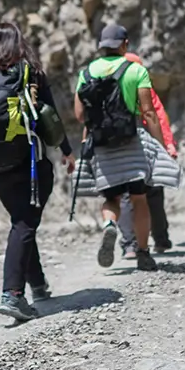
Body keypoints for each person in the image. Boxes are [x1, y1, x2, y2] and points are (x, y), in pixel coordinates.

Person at [0, 23, 75, 322]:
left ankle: (37, 284)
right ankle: (12, 295)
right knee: (25, 222)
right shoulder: (29, 73)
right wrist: (66, 150)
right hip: (28, 159)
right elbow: (50, 114)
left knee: (22, 220)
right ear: (18, 43)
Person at [74, 23, 166, 272]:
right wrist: (161, 146)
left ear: (102, 47)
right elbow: (148, 112)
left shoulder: (87, 73)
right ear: (125, 44)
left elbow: (80, 115)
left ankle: (109, 226)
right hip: (131, 141)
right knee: (139, 199)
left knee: (111, 197)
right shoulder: (136, 70)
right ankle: (144, 254)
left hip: (102, 146)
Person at [118, 51, 176, 257]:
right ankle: (160, 239)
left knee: (125, 195)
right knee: (153, 192)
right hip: (146, 143)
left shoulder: (111, 86)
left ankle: (129, 245)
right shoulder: (142, 84)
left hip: (118, 144)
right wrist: (167, 146)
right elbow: (157, 114)